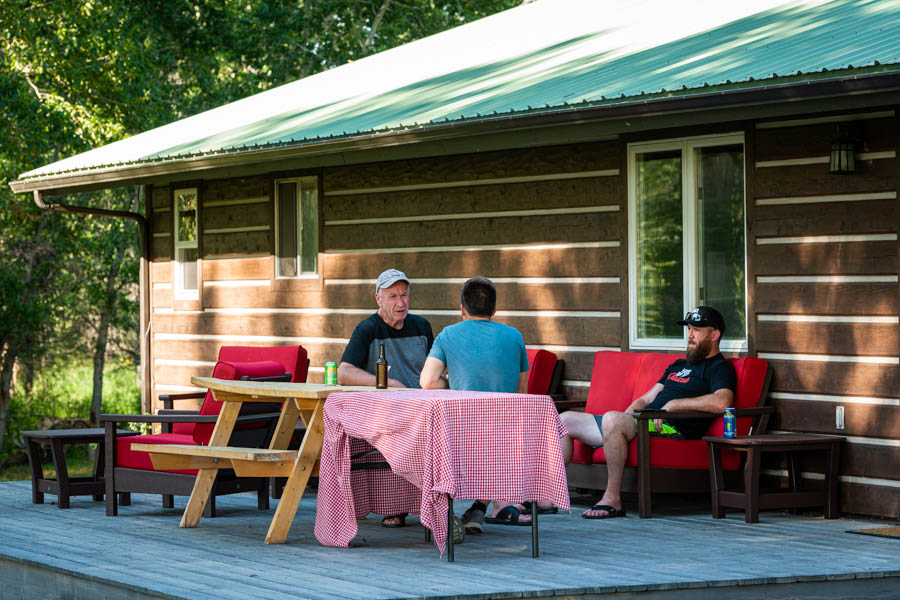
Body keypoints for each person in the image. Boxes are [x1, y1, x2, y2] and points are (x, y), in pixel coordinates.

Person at [559, 306, 736, 519]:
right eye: (689, 329)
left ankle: (612, 499)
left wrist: (673, 406)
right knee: (565, 420)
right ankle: (548, 494)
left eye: (696, 330)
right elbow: (646, 398)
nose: (690, 335)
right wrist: (623, 417)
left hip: (670, 426)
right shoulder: (679, 364)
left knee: (613, 420)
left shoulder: (719, 368)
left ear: (714, 334)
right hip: (643, 421)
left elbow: (722, 401)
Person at [419, 276, 531, 533]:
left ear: (462, 308)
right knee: (493, 448)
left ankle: (444, 515)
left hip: (461, 437)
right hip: (505, 441)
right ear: (494, 309)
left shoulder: (448, 335)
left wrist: (453, 384)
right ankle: (478, 508)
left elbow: (427, 381)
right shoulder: (515, 337)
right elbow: (523, 393)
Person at [338, 268, 433, 527]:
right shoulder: (367, 329)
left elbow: (433, 370)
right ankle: (397, 505)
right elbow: (344, 373)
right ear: (378, 298)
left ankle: (431, 505)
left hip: (421, 408)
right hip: (384, 410)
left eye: (404, 295)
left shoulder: (422, 326)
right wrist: (388, 384)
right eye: (392, 296)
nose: (400, 302)